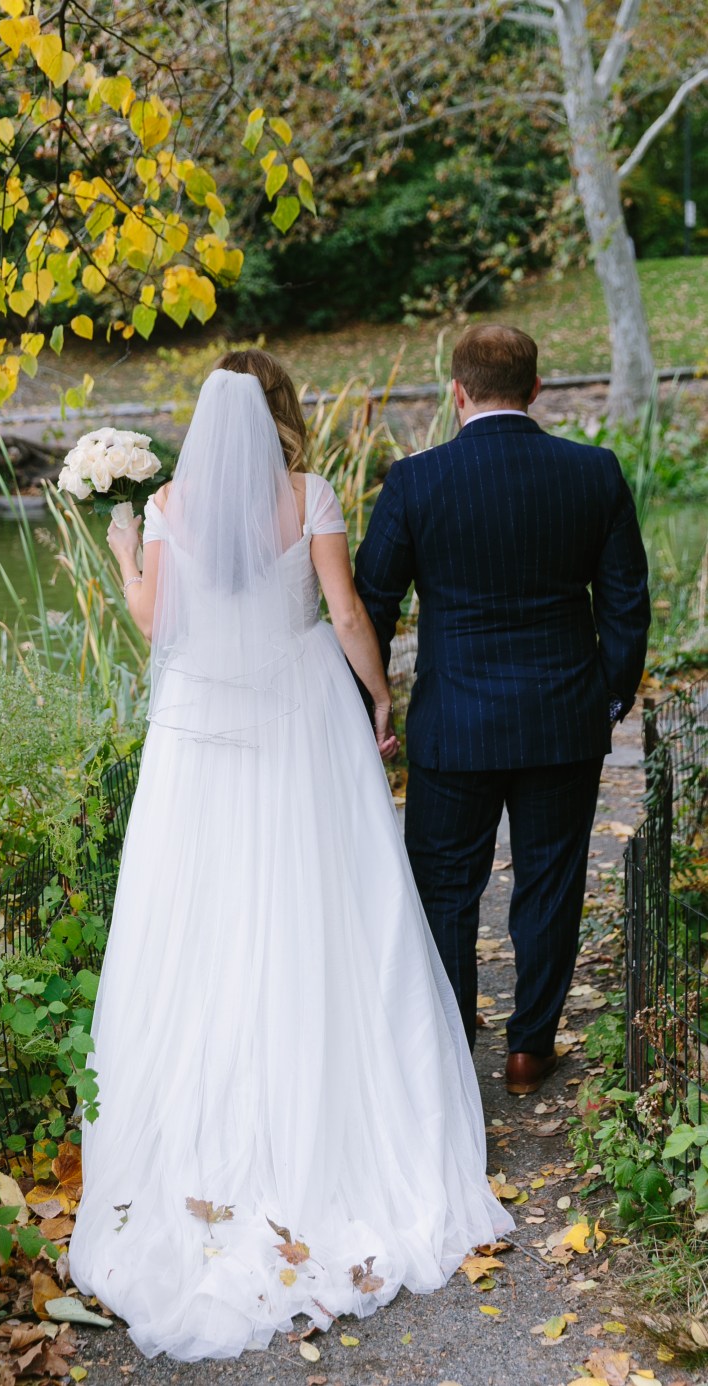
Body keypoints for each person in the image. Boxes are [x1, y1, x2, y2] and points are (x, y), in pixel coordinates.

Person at [69, 349, 512, 1362]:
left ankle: (196, 1159)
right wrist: (382, 692)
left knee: (204, 916)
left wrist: (127, 547)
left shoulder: (174, 501)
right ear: (277, 416)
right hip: (300, 717)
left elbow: (154, 623)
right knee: (327, 908)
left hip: (202, 730)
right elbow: (346, 610)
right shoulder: (309, 492)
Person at [355, 325, 650, 1096]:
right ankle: (529, 1050)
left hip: (454, 724)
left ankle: (450, 1048)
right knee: (550, 883)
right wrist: (608, 696)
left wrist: (370, 705)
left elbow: (371, 605)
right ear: (536, 390)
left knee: (444, 888)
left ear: (457, 392)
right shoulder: (592, 473)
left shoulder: (415, 482)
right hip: (563, 718)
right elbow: (626, 604)